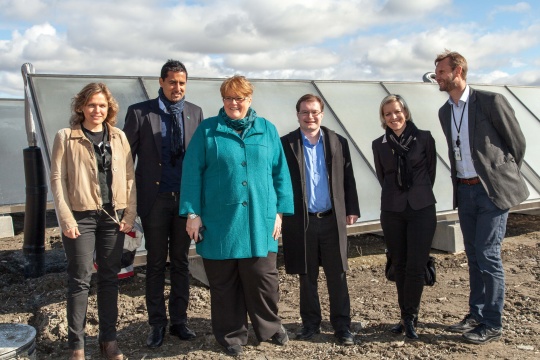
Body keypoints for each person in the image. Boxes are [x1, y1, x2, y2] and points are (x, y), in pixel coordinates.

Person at [179, 75, 293, 357]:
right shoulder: (208, 131)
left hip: (260, 220)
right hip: (220, 222)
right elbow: (191, 173)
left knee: (263, 279)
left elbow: (280, 174)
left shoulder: (267, 130)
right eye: (228, 98)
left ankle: (270, 327)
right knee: (224, 283)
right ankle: (231, 335)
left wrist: (279, 212)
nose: (233, 103)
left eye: (239, 98)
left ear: (249, 99)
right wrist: (192, 213)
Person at [434, 50, 529, 344]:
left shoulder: (490, 102)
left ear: (458, 71)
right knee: (474, 255)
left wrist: (500, 175)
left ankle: (493, 322)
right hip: (465, 190)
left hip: (491, 192)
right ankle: (475, 314)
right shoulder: (445, 111)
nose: (437, 77)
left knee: (488, 255)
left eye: (441, 72)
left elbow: (516, 143)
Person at [50, 83, 136, 360]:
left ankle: (108, 341)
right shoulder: (66, 137)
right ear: (81, 107)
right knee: (80, 280)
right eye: (91, 104)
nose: (97, 110)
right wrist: (65, 217)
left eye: (102, 105)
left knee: (110, 279)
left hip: (113, 218)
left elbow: (130, 177)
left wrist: (129, 214)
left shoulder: (119, 137)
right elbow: (57, 181)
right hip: (80, 217)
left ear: (109, 108)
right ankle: (76, 346)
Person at [123, 60, 203, 348]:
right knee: (156, 264)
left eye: (182, 83)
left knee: (181, 263)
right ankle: (157, 324)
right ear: (161, 82)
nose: (177, 88)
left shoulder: (195, 113)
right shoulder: (140, 113)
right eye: (172, 82)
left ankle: (180, 322)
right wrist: (126, 201)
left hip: (185, 204)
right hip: (154, 201)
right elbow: (125, 160)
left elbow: (199, 161)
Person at [281, 94, 360, 346]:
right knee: (307, 275)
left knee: (337, 274)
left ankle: (342, 326)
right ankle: (310, 324)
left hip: (331, 219)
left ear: (322, 114)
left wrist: (352, 208)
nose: (310, 116)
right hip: (302, 221)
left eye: (314, 112)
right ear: (297, 115)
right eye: (305, 112)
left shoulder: (337, 141)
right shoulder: (286, 144)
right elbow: (279, 181)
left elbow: (348, 177)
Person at [371, 94, 437, 340]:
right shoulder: (379, 144)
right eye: (388, 114)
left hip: (421, 208)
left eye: (397, 111)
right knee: (398, 264)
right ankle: (404, 316)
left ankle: (411, 317)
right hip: (392, 210)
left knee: (416, 266)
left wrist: (416, 194)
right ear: (383, 118)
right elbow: (382, 176)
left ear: (406, 113)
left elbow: (430, 172)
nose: (393, 117)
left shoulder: (424, 138)